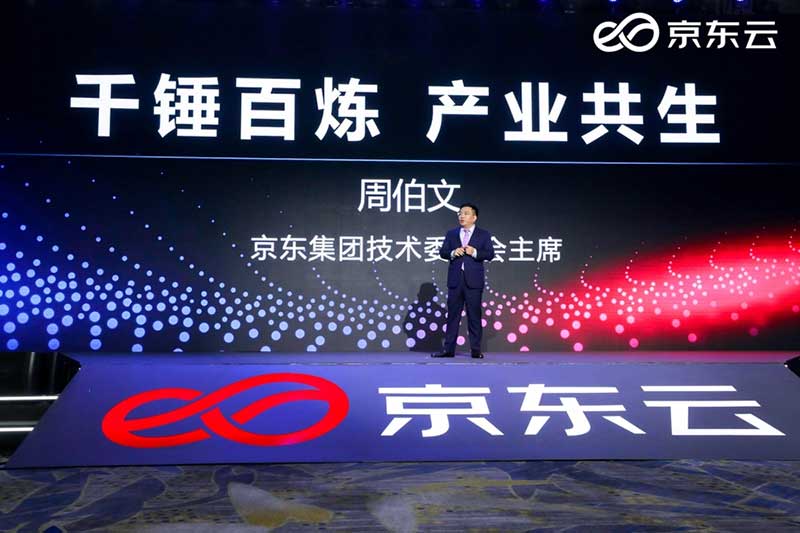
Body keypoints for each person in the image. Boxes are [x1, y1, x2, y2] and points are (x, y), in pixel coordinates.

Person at [431, 203, 494, 359]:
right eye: (460, 213)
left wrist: (475, 252)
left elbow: (490, 254)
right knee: (453, 316)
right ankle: (448, 350)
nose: (461, 216)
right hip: (455, 281)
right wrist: (453, 252)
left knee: (474, 316)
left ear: (474, 217)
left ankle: (476, 350)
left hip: (474, 282)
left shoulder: (483, 234)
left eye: (466, 213)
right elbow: (443, 252)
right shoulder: (451, 234)